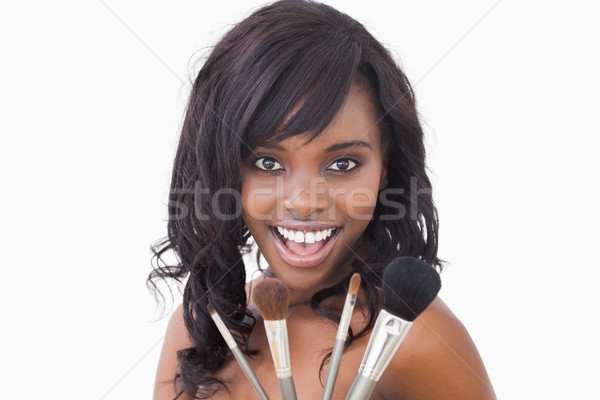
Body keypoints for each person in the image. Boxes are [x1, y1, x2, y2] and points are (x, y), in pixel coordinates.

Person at [150, 1, 495, 399]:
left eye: (343, 163)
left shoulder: (421, 341)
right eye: (267, 162)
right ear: (224, 169)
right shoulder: (198, 330)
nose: (303, 201)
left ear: (386, 167)